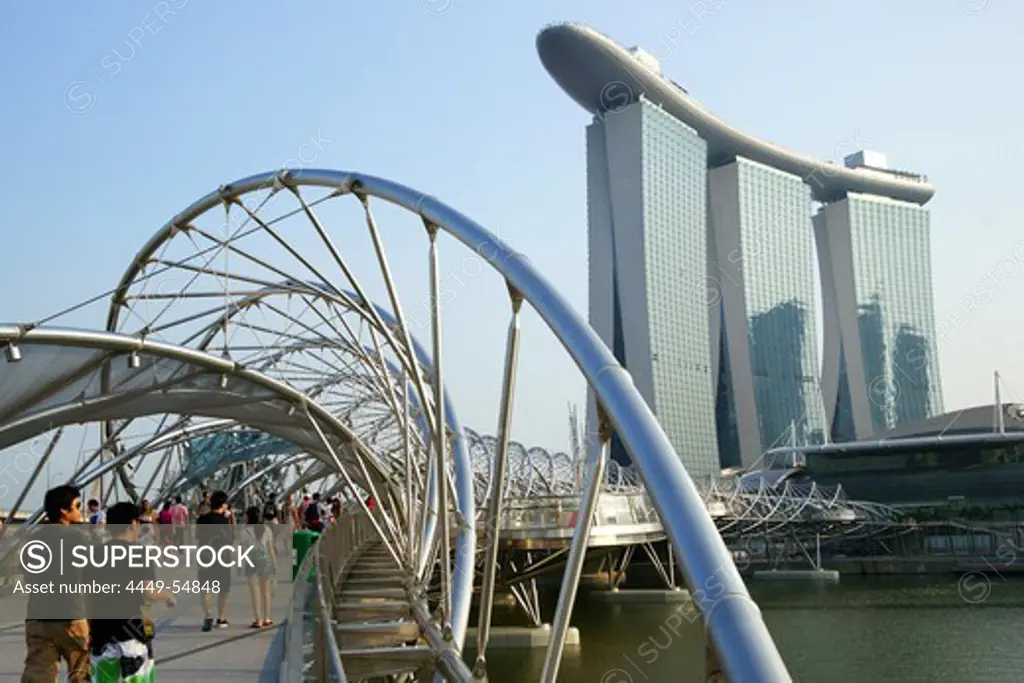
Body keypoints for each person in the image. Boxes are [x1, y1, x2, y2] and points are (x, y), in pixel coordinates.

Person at [85, 501, 176, 682]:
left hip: (101, 634)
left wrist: (88, 629)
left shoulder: (93, 554)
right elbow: (148, 592)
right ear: (133, 523)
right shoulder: (139, 554)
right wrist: (168, 596)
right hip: (131, 633)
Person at [22, 485, 90, 683]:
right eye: (77, 506)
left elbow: (29, 578)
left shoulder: (33, 539)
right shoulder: (77, 538)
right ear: (64, 510)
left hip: (38, 617)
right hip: (71, 616)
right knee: (80, 672)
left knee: (38, 674)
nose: (80, 510)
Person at [196, 490, 233, 631]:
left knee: (206, 589)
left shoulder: (201, 520)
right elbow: (230, 539)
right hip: (222, 558)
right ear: (223, 504)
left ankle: (207, 615)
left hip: (205, 556)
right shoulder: (224, 521)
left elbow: (198, 537)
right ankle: (221, 619)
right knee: (223, 589)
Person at [243, 507, 276, 628]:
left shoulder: (245, 531)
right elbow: (271, 549)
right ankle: (267, 618)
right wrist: (274, 564)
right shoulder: (267, 530)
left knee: (254, 592)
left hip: (251, 561)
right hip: (265, 561)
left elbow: (243, 550)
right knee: (265, 591)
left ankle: (258, 619)